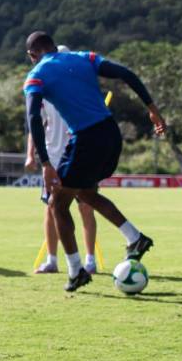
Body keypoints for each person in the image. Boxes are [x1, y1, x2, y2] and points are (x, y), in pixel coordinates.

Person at [22, 31, 167, 292]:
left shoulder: (36, 74)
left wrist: (45, 163)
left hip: (86, 139)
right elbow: (127, 73)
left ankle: (76, 270)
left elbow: (33, 118)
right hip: (111, 135)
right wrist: (152, 110)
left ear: (32, 55)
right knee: (86, 194)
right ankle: (135, 238)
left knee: (57, 203)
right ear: (54, 47)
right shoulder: (84, 57)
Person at [25, 52, 99, 275]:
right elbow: (36, 124)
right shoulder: (43, 91)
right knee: (51, 208)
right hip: (54, 158)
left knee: (86, 206)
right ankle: (52, 260)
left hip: (81, 154)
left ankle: (90, 261)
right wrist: (31, 154)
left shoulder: (80, 91)